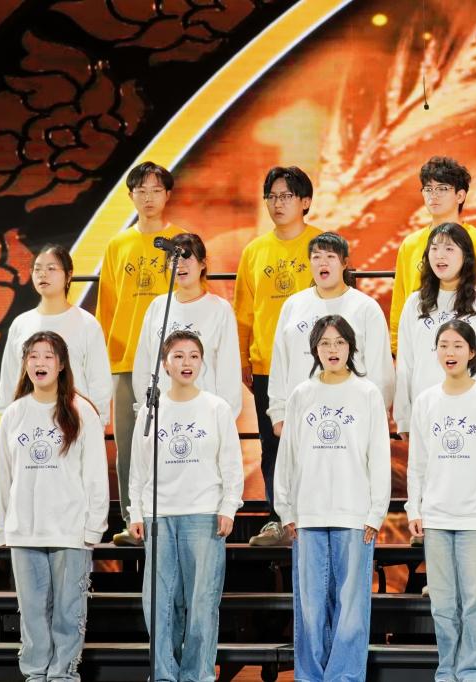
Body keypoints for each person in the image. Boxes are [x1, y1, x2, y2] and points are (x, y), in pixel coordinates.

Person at [274, 315, 390, 681]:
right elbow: (287, 456)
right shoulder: (301, 395)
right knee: (310, 608)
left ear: (351, 347)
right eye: (324, 343)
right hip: (308, 514)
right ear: (314, 350)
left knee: (351, 609)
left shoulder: (367, 393)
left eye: (339, 342)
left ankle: (344, 676)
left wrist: (376, 512)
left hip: (354, 515)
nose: (332, 349)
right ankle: (310, 676)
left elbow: (378, 456)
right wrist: (286, 510)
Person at [127, 330, 244, 682]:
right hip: (159, 516)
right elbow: (138, 468)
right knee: (159, 602)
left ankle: (198, 675)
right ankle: (164, 674)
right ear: (165, 364)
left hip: (203, 514)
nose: (186, 362)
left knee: (202, 601)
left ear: (202, 362)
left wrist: (228, 507)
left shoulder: (216, 408)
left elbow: (231, 464)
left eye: (193, 355)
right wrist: (136, 511)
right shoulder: (151, 411)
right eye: (178, 356)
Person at [0, 331, 108, 680]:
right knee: (32, 615)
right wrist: (2, 527)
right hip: (25, 531)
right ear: (25, 364)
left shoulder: (81, 410)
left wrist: (94, 526)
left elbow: (96, 474)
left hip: (70, 531)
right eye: (33, 356)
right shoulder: (14, 414)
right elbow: (1, 476)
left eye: (48, 356)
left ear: (61, 365)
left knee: (68, 614)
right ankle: (35, 674)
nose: (40, 363)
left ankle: (63, 675)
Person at [406, 319, 476, 682]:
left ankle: (475, 672)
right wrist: (414, 507)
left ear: (471, 352)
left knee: (474, 603)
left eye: (457, 345)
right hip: (436, 518)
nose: (449, 352)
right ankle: (447, 671)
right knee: (442, 604)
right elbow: (417, 461)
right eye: (443, 345)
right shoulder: (426, 401)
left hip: (475, 519)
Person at [97, 161, 185, 546]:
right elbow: (106, 307)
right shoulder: (117, 245)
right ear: (130, 196)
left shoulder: (182, 241)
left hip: (171, 363)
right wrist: (104, 360)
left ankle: (174, 517)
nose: (148, 198)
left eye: (156, 190)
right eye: (141, 191)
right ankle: (133, 520)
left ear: (168, 195)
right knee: (130, 446)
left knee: (173, 440)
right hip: (125, 359)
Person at [233, 166, 321, 546]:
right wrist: (244, 360)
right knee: (273, 445)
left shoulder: (322, 245)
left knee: (318, 441)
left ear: (305, 201)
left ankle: (316, 514)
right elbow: (243, 313)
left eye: (286, 196)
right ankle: (277, 518)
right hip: (268, 364)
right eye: (272, 196)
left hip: (317, 366)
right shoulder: (255, 251)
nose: (277, 203)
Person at [267, 232, 393, 436]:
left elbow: (380, 370)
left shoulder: (366, 307)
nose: (322, 262)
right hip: (301, 415)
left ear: (344, 263)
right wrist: (278, 412)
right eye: (316, 257)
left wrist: (377, 413)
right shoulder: (293, 305)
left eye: (330, 256)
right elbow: (280, 362)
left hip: (353, 417)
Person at [393, 222, 476, 435]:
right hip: (426, 412)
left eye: (449, 248)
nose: (440, 255)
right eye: (434, 248)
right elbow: (405, 363)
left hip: (475, 413)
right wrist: (404, 418)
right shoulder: (415, 303)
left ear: (466, 256)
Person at [389, 156, 476, 352]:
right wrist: (396, 350)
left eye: (442, 188)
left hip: (464, 348)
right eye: (428, 189)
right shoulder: (410, 244)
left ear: (460, 196)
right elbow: (400, 302)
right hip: (420, 344)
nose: (433, 195)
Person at [0, 244, 111, 421]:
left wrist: (96, 422)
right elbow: (10, 379)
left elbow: (99, 381)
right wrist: (9, 420)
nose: (43, 274)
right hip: (28, 422)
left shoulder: (87, 324)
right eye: (37, 269)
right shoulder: (21, 324)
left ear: (69, 275)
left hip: (74, 422)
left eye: (51, 268)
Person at [132, 233, 242, 417]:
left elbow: (229, 371)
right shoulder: (158, 306)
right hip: (161, 414)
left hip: (204, 415)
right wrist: (146, 408)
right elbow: (143, 363)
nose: (180, 265)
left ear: (203, 263)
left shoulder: (220, 309)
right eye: (173, 259)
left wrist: (224, 418)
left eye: (186, 257)